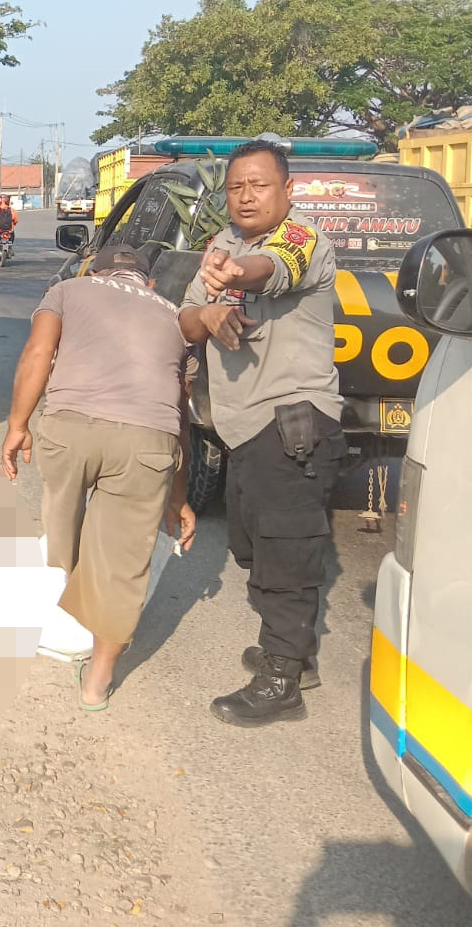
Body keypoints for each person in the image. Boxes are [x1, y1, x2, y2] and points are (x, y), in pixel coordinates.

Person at [177, 138, 347, 727]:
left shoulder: (300, 239)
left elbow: (271, 270)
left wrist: (236, 275)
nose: (246, 196)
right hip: (242, 426)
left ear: (287, 190)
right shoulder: (221, 244)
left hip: (291, 419)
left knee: (285, 550)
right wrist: (211, 313)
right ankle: (290, 649)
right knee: (251, 545)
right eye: (237, 187)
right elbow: (186, 316)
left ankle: (284, 677)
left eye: (260, 185)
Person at [2, 247, 196, 710]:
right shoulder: (173, 315)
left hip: (72, 432)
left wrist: (17, 426)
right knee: (123, 562)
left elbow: (38, 353)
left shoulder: (67, 289)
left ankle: (65, 595)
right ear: (147, 283)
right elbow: (181, 414)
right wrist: (178, 496)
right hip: (149, 444)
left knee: (63, 536)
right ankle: (97, 682)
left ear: (97, 271)